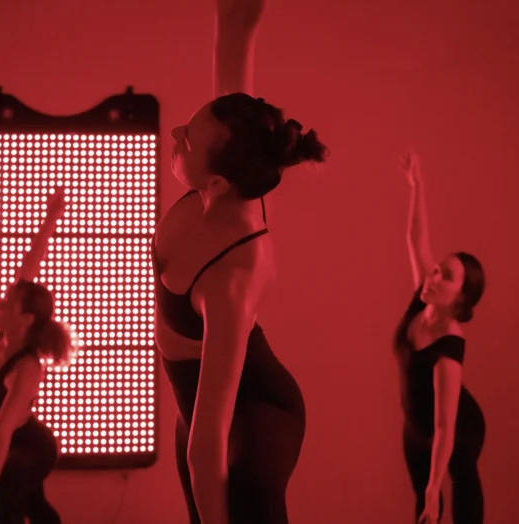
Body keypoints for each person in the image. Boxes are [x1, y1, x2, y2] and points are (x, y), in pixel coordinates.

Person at [152, 0, 328, 522]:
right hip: (194, 409)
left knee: (246, 497)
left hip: (256, 411)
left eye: (185, 141)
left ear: (217, 183)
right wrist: (236, 18)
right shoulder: (235, 154)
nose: (174, 135)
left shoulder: (235, 275)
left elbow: (208, 440)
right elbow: (234, 35)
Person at [394, 151, 487, 524]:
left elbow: (445, 426)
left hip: (458, 430)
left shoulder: (449, 346)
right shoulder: (423, 298)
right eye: (436, 270)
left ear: (461, 298)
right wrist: (417, 185)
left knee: (455, 490)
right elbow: (415, 239)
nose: (433, 277)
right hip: (417, 428)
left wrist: (436, 489)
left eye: (446, 277)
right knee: (423, 507)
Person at [0, 188, 68, 524]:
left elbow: (1, 435)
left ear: (25, 319)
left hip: (31, 447)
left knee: (6, 495)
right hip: (13, 441)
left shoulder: (27, 368)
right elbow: (31, 263)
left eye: (6, 305)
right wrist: (51, 218)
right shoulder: (7, 337)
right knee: (35, 507)